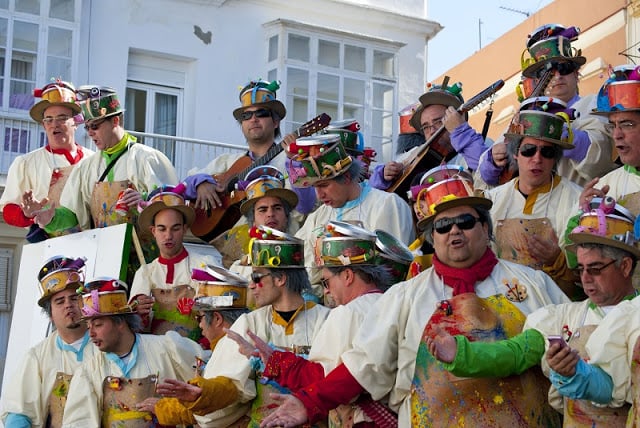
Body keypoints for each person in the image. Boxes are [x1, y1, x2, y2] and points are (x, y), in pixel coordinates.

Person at [259, 169, 570, 428]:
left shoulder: (534, 283)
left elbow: (572, 348)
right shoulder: (405, 296)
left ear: (485, 227)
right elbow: (364, 365)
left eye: (465, 221)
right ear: (431, 237)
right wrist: (309, 402)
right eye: (443, 226)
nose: (454, 231)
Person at [427, 197, 639, 426]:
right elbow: (516, 353)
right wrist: (462, 355)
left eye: (595, 269)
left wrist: (577, 374)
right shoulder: (563, 316)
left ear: (625, 266)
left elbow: (613, 388)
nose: (585, 278)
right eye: (581, 269)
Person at [227, 221, 395, 426]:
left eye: (326, 281)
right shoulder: (392, 303)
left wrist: (275, 362)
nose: (325, 291)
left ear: (348, 275)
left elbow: (323, 377)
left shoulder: (347, 313)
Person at [154, 233, 330, 427]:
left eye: (256, 277)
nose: (251, 285)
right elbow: (232, 383)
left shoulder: (325, 320)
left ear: (280, 279)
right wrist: (203, 394)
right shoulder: (249, 323)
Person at [23, 85, 178, 234]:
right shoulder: (85, 167)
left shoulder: (147, 158)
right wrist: (51, 218)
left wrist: (144, 200)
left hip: (144, 258)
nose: (90, 133)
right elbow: (72, 214)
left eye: (95, 126)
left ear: (115, 121)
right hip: (102, 254)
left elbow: (173, 204)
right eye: (87, 127)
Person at [479, 24, 615, 188]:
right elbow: (484, 179)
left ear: (576, 74)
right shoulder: (524, 115)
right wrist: (494, 159)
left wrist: (564, 135)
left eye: (564, 68)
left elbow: (603, 155)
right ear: (537, 80)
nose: (557, 76)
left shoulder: (593, 104)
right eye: (547, 72)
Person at [61, 277, 204, 427]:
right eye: (88, 325)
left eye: (97, 324)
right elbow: (78, 422)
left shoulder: (167, 349)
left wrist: (172, 409)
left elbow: (206, 391)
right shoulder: (89, 372)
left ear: (120, 323)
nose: (91, 334)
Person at [183, 79, 315, 237]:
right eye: (246, 115)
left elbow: (305, 207)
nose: (253, 119)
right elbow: (183, 187)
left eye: (261, 113)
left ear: (276, 122)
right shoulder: (227, 162)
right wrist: (199, 184)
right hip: (227, 254)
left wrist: (294, 163)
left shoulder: (291, 161)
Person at [289, 135, 414, 296]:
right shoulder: (317, 216)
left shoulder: (386, 205)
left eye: (324, 185)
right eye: (315, 187)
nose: (319, 195)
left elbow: (395, 272)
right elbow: (302, 266)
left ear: (347, 177)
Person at [483, 98, 583, 298]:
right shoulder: (491, 200)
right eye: (529, 150)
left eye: (546, 152)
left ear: (555, 158)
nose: (537, 159)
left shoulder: (577, 199)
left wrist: (557, 260)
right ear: (516, 154)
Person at [136, 268, 249, 426]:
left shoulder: (234, 345)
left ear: (217, 319)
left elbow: (218, 410)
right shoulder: (230, 342)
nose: (199, 324)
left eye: (200, 317)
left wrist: (166, 408)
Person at [0, 256, 96, 427]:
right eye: (60, 301)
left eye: (74, 298)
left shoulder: (107, 344)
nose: (68, 305)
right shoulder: (37, 357)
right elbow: (18, 412)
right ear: (50, 315)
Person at [0, 80, 93, 242]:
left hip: (91, 243)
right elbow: (8, 210)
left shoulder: (92, 160)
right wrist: (26, 213)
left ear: (75, 122)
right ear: (44, 125)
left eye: (62, 118)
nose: (54, 124)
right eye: (48, 119)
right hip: (46, 247)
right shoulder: (26, 163)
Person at [128, 185, 219, 339]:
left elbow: (217, 317)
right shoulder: (145, 273)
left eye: (175, 228)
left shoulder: (204, 265)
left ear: (184, 229)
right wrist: (137, 312)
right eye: (162, 229)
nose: (168, 236)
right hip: (156, 353)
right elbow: (135, 328)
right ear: (153, 231)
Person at [368, 78, 488, 191]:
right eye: (425, 127)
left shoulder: (482, 143)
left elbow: (486, 171)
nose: (432, 130)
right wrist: (384, 174)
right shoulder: (415, 153)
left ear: (456, 118)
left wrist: (460, 132)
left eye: (439, 121)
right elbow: (371, 188)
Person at [578, 66, 640, 217]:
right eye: (612, 126)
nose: (617, 135)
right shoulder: (603, 188)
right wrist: (584, 216)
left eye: (627, 124)